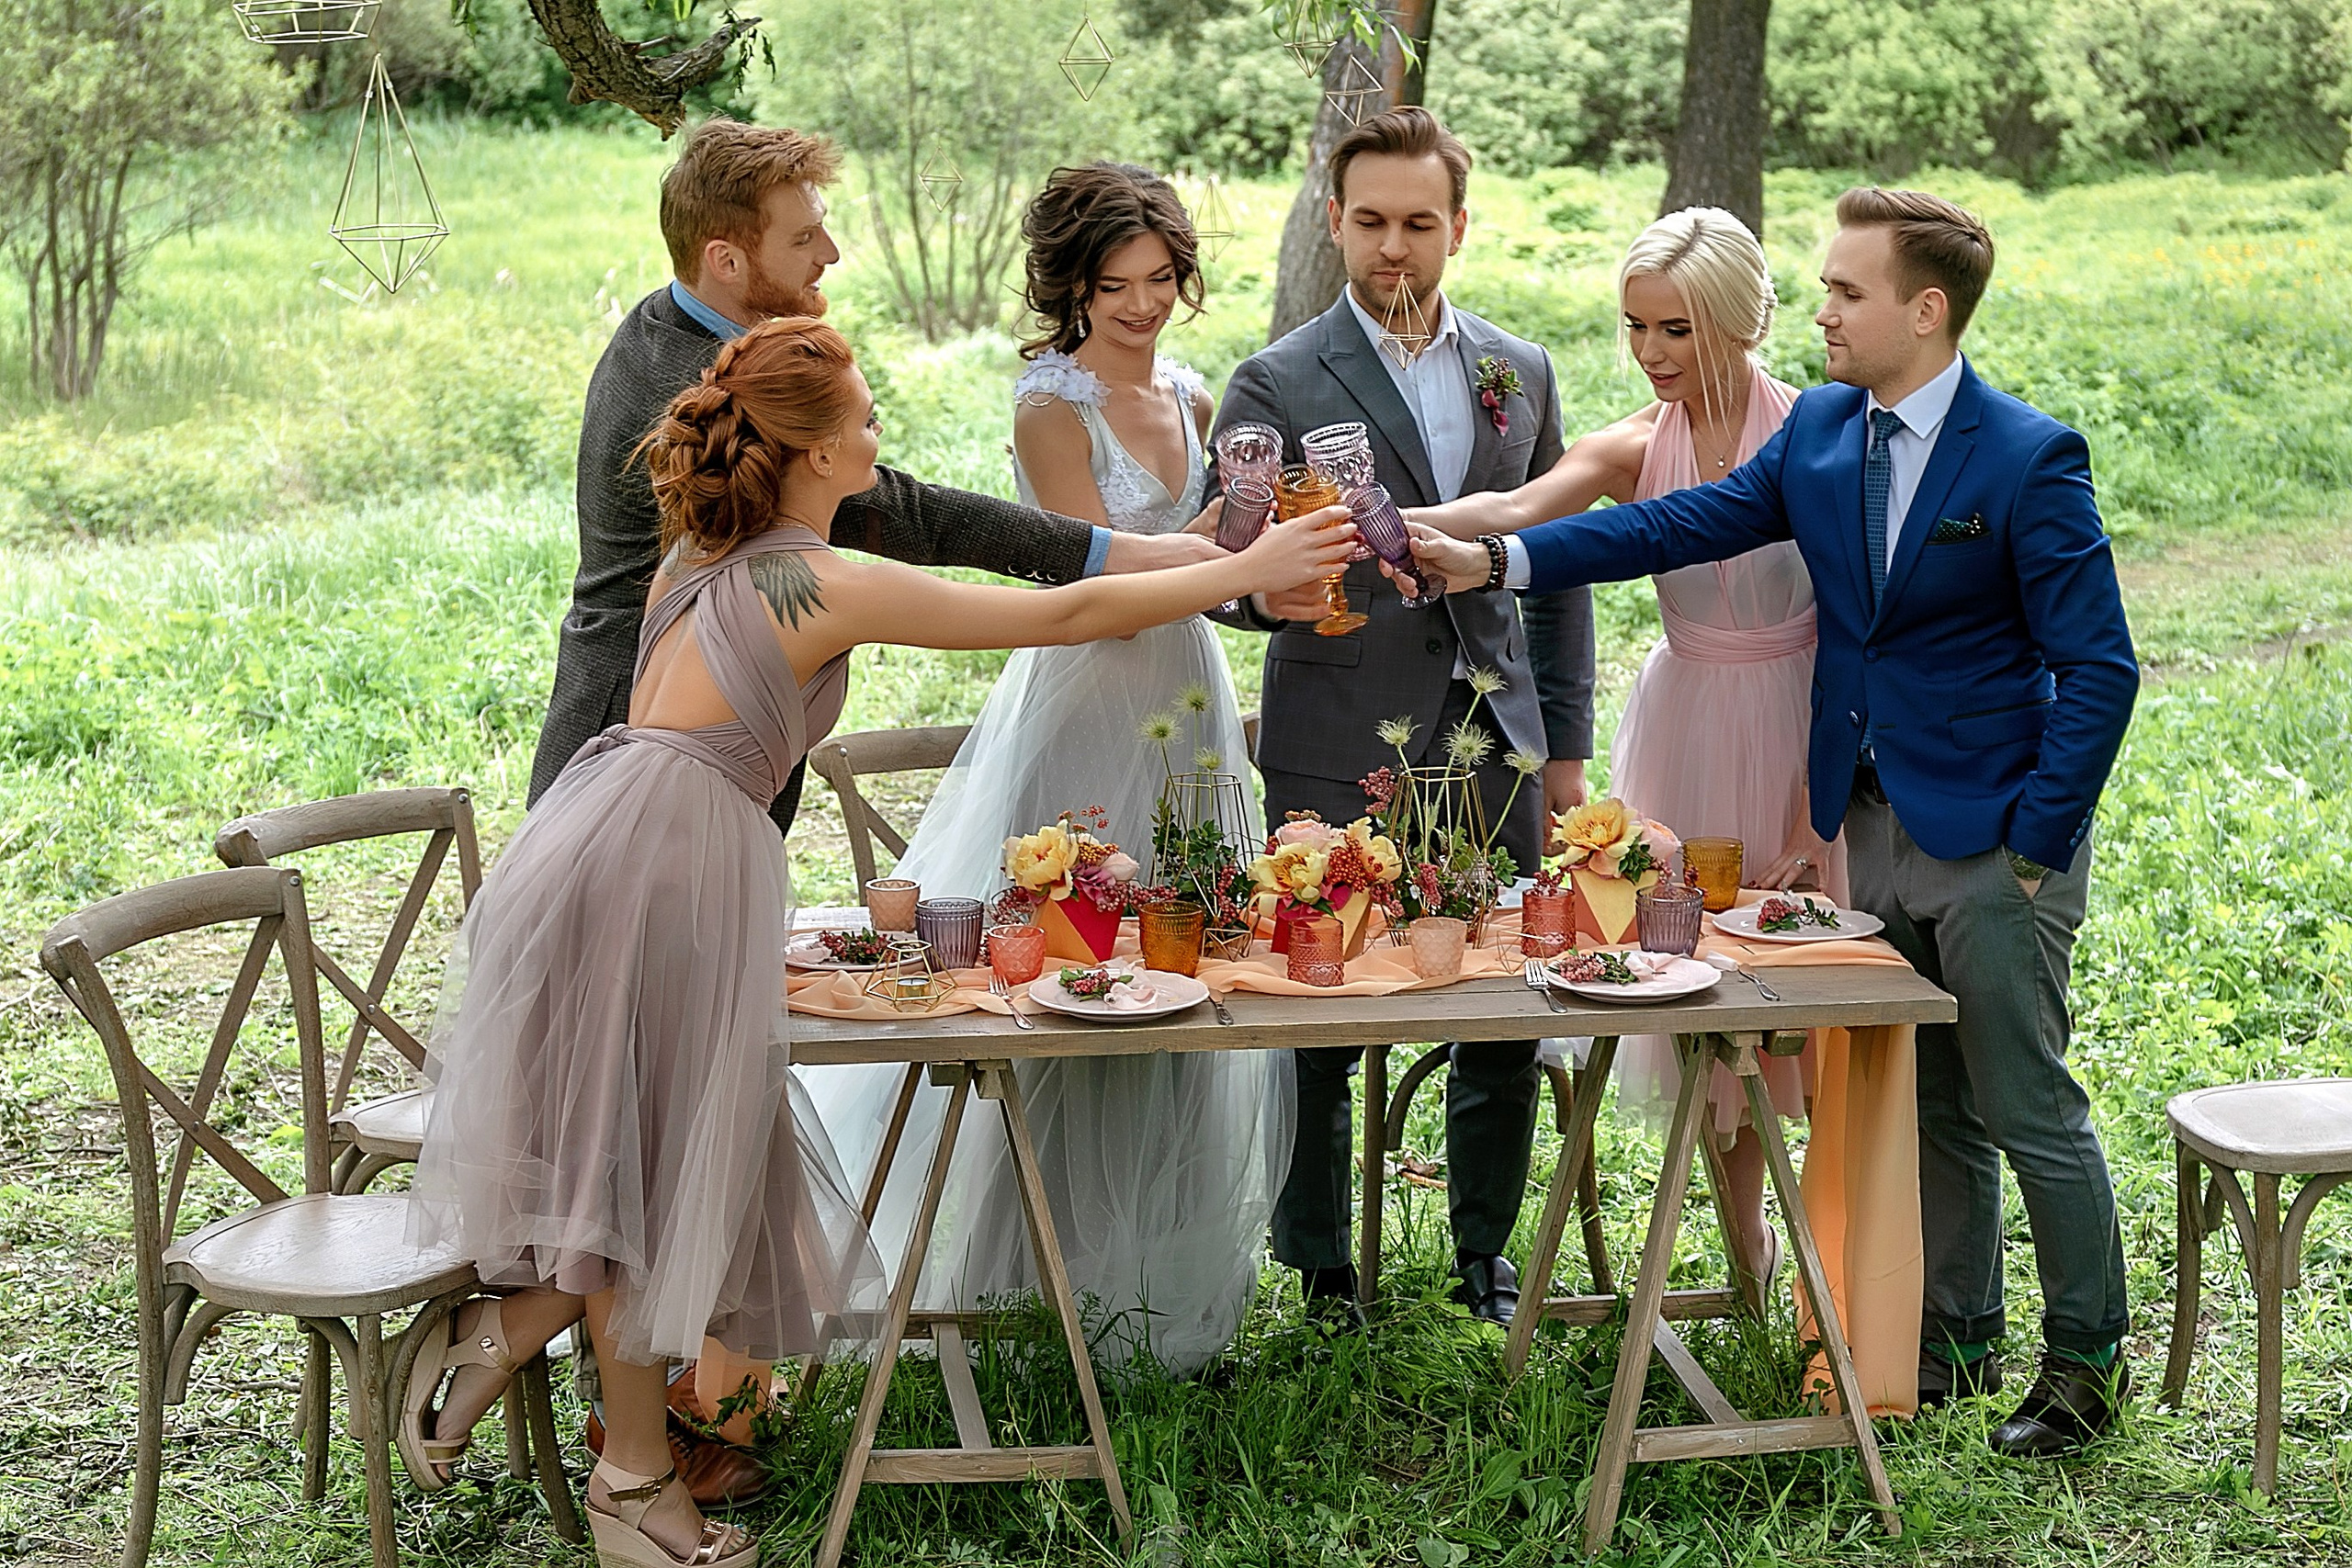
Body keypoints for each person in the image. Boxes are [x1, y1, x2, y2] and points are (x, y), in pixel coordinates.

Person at [401, 318, 1359, 1568]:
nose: (874, 432)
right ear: (803, 451)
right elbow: (1062, 615)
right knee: (659, 1150)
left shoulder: (706, 547)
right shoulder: (815, 579)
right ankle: (624, 1471)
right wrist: (1243, 566)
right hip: (672, 855)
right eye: (855, 417)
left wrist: (1229, 555)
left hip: (615, 825)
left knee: (650, 1149)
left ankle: (516, 1342)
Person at [525, 117, 1224, 1489]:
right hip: (650, 807)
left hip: (684, 799)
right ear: (732, 261)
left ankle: (679, 1412)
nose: (832, 252)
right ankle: (621, 1420)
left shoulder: (727, 410)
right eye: (805, 236)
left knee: (682, 1119)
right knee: (651, 1129)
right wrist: (1201, 564)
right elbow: (930, 528)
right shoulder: (756, 467)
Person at [1404, 188, 2140, 1455]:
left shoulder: (2028, 456)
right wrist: (1500, 560)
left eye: (1845, 291)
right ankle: (1956, 1340)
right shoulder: (1824, 440)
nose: (1822, 310)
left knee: (2026, 1101)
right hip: (1868, 822)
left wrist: (2034, 844)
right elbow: (1674, 522)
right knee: (1935, 1103)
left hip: (1993, 844)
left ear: (1926, 307)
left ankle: (2084, 1364)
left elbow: (2102, 669)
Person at [802, 164, 1287, 1376]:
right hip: (1086, 689)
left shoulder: (1191, 390)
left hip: (1187, 693)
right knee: (1079, 966)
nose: (1142, 304)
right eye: (1116, 283)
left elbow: (1214, 558)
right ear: (1070, 284)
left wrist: (1272, 566)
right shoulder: (1048, 407)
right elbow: (1094, 580)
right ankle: (1042, 1302)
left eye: (1161, 278)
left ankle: (1166, 1298)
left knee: (1186, 957)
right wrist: (1238, 557)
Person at [1208, 107, 1598, 1329]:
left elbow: (1559, 563)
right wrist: (1276, 591)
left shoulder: (1518, 369)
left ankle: (1484, 1251)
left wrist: (1567, 743)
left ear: (1458, 226)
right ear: (1334, 221)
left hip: (1495, 737)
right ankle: (1320, 1259)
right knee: (1321, 1000)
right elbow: (1218, 566)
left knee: (1506, 994)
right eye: (1369, 221)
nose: (1394, 249)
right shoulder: (1273, 379)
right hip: (1335, 736)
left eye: (1419, 223)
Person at [1408, 208, 1835, 1297]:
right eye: (1635, 327)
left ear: (1736, 322)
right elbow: (1512, 507)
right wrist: (1391, 525)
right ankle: (1751, 1258)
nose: (1650, 354)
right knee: (1701, 994)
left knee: (1817, 999)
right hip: (1686, 721)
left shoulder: (1821, 433)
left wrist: (1815, 809)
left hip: (1800, 717)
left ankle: (1837, 1264)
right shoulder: (1638, 443)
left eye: (1676, 330)